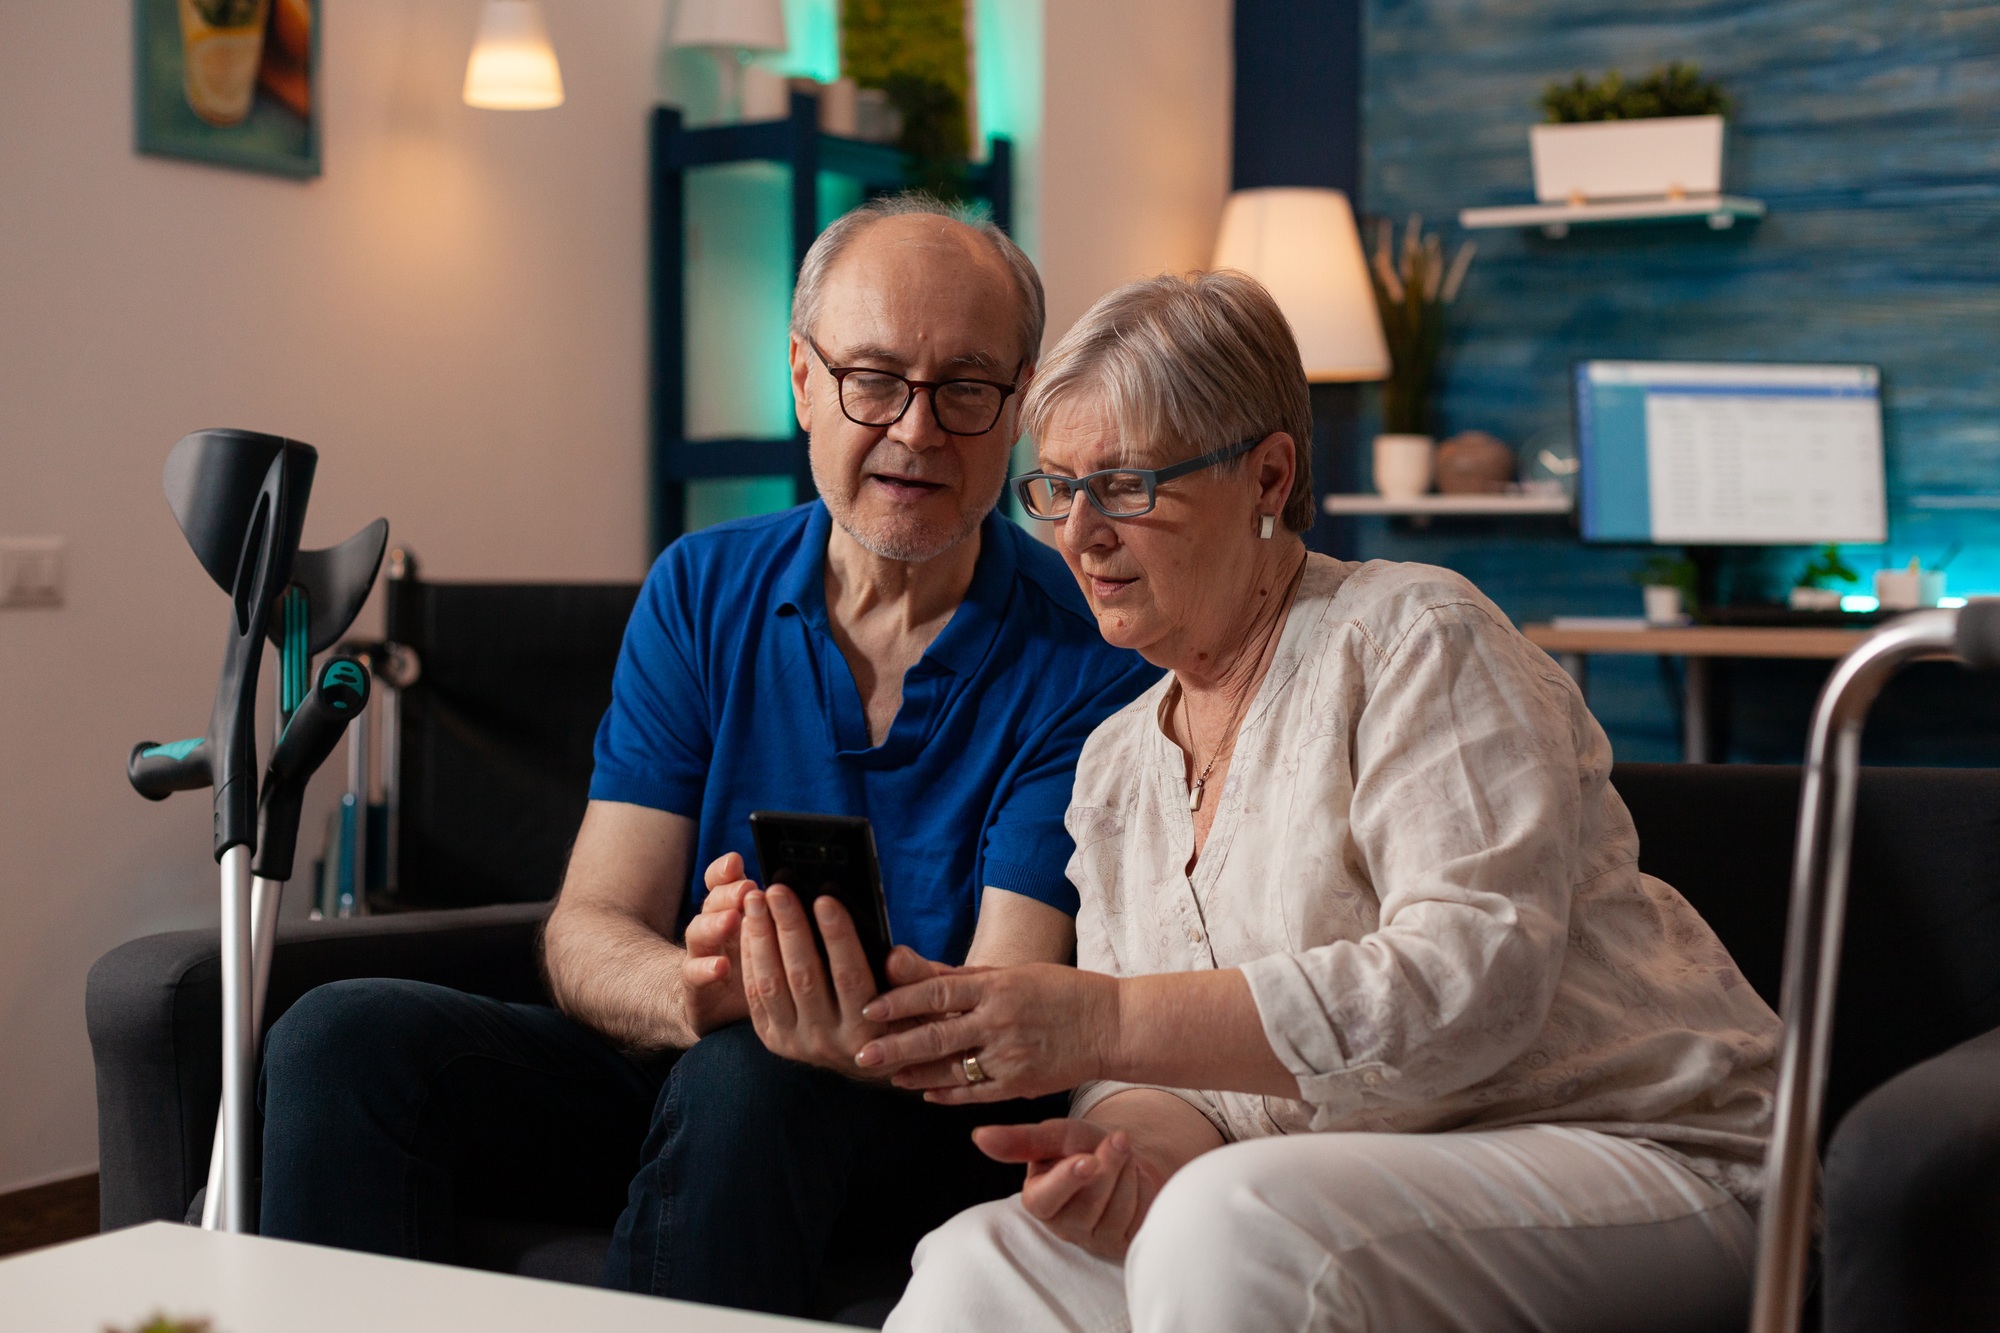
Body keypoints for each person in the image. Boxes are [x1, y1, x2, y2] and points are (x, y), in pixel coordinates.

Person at [256, 195, 1158, 1318]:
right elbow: (589, 924)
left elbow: (1003, 1029)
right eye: (871, 378)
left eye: (966, 388)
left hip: (912, 1130)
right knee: (342, 1036)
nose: (916, 432)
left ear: (1017, 405)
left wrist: (829, 1032)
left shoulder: (1090, 655)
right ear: (800, 381)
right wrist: (698, 991)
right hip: (690, 1069)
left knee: (756, 1077)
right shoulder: (700, 588)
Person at [854, 270, 1783, 1332]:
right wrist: (1130, 1152)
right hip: (1313, 1186)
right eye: (1055, 488)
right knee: (982, 1258)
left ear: (1266, 475)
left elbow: (1468, 985)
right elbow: (1161, 1082)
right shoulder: (1113, 763)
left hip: (1636, 1153)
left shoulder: (1413, 637)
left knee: (1229, 1219)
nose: (1077, 533)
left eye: (1124, 484)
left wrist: (1106, 1025)